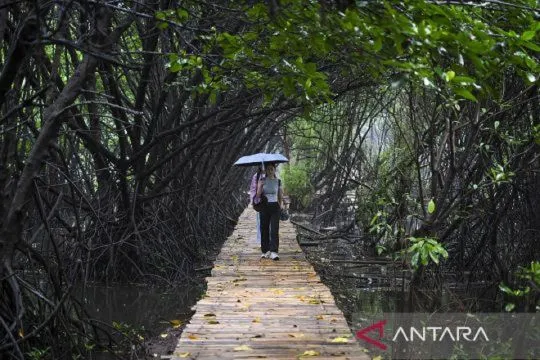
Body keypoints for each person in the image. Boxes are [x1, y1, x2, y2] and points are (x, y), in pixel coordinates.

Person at [257, 163, 283, 260]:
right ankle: (265, 251)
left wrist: (281, 206)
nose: (270, 171)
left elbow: (280, 195)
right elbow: (258, 195)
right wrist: (260, 186)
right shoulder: (262, 180)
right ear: (266, 170)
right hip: (264, 206)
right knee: (264, 228)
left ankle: (274, 252)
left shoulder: (278, 181)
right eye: (268, 169)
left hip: (275, 206)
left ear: (274, 170)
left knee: (274, 230)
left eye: (272, 169)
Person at [249, 167, 263, 243]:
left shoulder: (271, 174)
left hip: (270, 202)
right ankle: (261, 240)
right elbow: (253, 189)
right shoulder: (256, 176)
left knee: (270, 223)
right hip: (260, 202)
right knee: (260, 222)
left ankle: (269, 240)